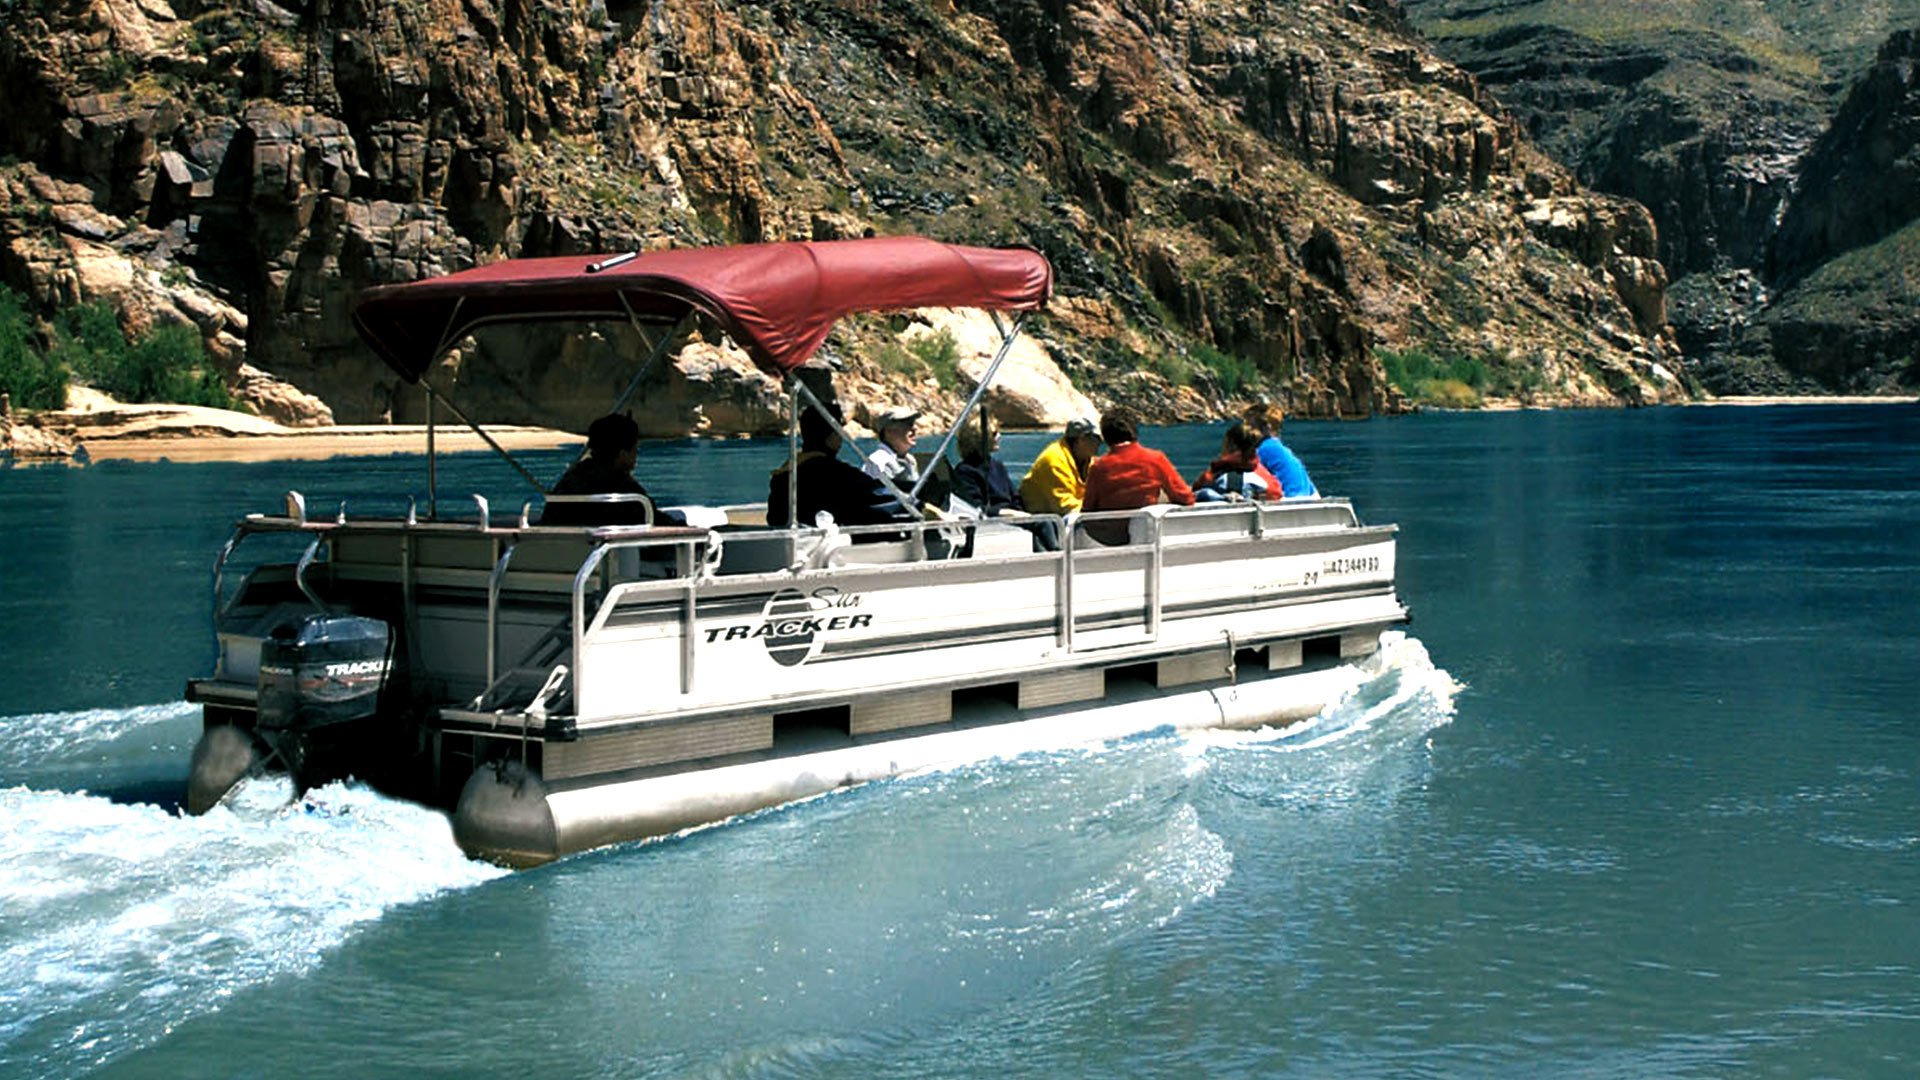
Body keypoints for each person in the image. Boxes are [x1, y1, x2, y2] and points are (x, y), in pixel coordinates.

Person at [768, 403, 917, 530]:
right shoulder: (829, 471)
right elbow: (874, 494)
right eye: (838, 431)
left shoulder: (787, 472)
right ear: (832, 436)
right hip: (821, 550)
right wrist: (920, 503)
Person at [541, 413, 684, 526]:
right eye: (635, 450)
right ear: (622, 454)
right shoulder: (626, 491)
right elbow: (653, 520)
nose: (636, 457)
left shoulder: (570, 481)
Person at [1082, 408, 1193, 544]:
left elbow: (1087, 510)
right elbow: (1186, 498)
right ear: (1134, 431)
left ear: (1106, 436)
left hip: (1110, 538)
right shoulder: (1155, 459)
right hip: (1148, 534)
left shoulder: (1099, 467)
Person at [1018, 416, 1101, 550]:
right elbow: (1064, 505)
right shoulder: (1054, 460)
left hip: (1063, 515)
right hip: (1041, 516)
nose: (1100, 443)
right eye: (1096, 439)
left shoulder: (1086, 459)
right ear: (1081, 439)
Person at [950, 414, 1021, 518]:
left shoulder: (998, 466)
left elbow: (1016, 498)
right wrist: (1005, 513)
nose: (999, 436)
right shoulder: (965, 471)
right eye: (994, 434)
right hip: (992, 524)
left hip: (1014, 520)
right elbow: (973, 508)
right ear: (979, 438)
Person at [1192, 421, 1281, 502]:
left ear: (1230, 446)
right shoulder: (1262, 476)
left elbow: (1195, 492)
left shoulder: (1212, 476)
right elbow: (1276, 494)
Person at [1244, 402, 1318, 498]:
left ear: (1266, 428)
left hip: (1289, 501)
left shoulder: (1264, 449)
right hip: (1308, 498)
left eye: (1249, 426)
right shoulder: (1281, 449)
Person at [862, 405, 921, 486]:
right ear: (889, 431)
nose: (915, 428)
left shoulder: (910, 461)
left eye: (914, 423)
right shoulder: (879, 461)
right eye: (908, 424)